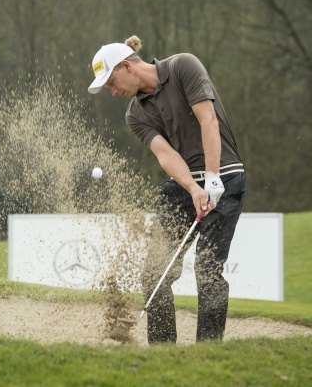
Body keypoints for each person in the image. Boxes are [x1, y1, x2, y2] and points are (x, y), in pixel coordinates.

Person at [88, 36, 246, 344]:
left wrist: (212, 179)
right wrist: (192, 187)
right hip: (183, 185)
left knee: (207, 268)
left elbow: (208, 120)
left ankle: (207, 351)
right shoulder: (135, 115)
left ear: (126, 66)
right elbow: (166, 154)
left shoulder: (183, 66)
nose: (112, 91)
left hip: (225, 176)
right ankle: (164, 354)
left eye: (110, 82)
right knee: (153, 273)